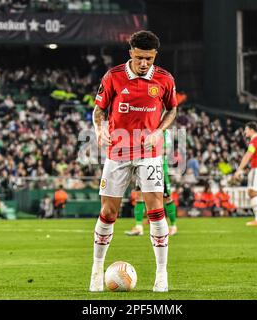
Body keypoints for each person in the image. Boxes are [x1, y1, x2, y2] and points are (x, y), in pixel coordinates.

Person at [89, 30, 178, 293]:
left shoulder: (164, 79)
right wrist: (99, 129)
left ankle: (161, 274)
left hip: (149, 152)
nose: (143, 64)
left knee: (155, 208)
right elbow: (98, 109)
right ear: (131, 53)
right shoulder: (113, 76)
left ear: (154, 56)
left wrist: (159, 131)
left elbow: (172, 109)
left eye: (148, 59)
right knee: (108, 212)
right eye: (139, 58)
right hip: (117, 152)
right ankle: (96, 270)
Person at [126, 130, 178, 236]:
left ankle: (173, 226)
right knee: (139, 195)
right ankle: (138, 226)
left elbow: (165, 150)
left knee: (166, 197)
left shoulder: (163, 131)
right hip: (141, 164)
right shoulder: (142, 129)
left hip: (158, 166)